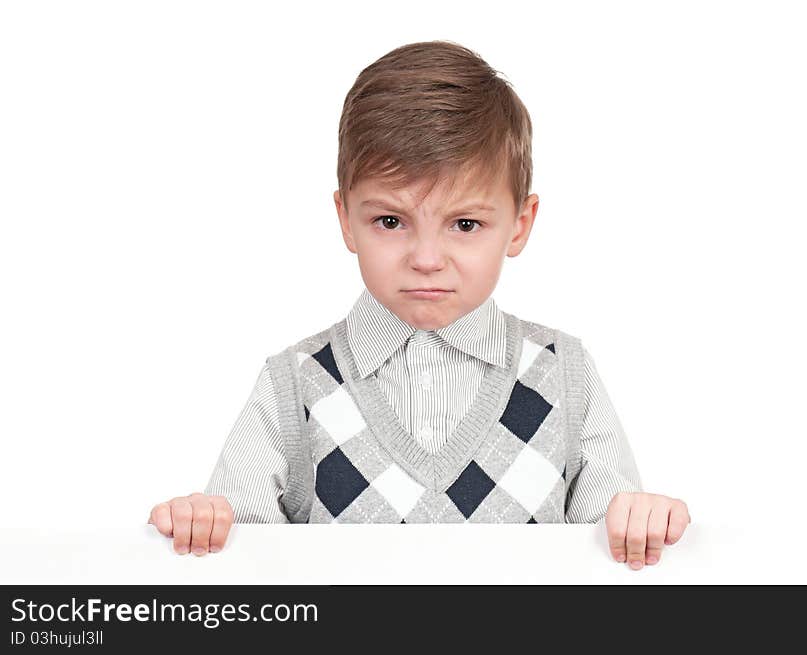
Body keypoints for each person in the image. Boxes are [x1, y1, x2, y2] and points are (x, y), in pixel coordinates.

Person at [148, 40, 690, 571]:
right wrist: (206, 519)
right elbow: (239, 552)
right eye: (391, 221)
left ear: (520, 224)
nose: (427, 258)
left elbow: (614, 544)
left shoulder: (563, 373)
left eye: (465, 224)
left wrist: (639, 516)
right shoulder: (293, 384)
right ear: (346, 219)